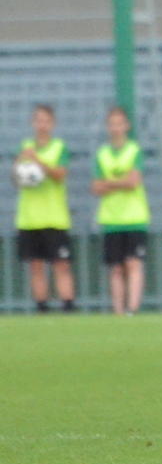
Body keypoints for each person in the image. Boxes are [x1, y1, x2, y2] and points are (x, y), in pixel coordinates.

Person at [14, 104, 75, 313]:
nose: (42, 124)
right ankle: (42, 308)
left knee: (61, 264)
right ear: (33, 123)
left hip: (54, 217)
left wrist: (38, 162)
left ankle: (68, 306)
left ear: (53, 123)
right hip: (29, 218)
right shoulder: (25, 147)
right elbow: (16, 176)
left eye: (46, 120)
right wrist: (20, 165)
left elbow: (59, 175)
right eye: (38, 120)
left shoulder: (59, 147)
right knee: (36, 266)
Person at [91, 106, 150, 315]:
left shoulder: (134, 151)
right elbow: (96, 187)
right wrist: (120, 182)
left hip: (134, 217)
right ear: (107, 127)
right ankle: (118, 311)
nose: (116, 128)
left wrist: (110, 182)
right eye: (112, 124)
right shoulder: (102, 154)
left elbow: (134, 181)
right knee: (115, 268)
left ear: (127, 126)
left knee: (133, 264)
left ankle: (132, 309)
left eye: (119, 123)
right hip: (111, 218)